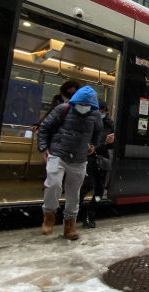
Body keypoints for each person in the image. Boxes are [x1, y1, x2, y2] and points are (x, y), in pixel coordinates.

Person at [38, 85, 102, 240]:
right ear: (75, 101)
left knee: (74, 193)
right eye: (82, 104)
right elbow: (45, 127)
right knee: (53, 184)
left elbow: (99, 131)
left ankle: (69, 226)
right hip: (58, 153)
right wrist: (43, 148)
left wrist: (94, 144)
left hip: (79, 159)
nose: (84, 107)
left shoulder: (95, 114)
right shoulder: (63, 109)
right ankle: (49, 216)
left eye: (88, 105)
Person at [79, 100, 115, 229]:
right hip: (89, 158)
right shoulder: (87, 122)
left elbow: (114, 143)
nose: (102, 113)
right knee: (88, 184)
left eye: (104, 111)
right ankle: (76, 208)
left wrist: (112, 141)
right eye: (100, 110)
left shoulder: (110, 124)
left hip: (102, 159)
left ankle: (90, 214)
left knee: (99, 190)